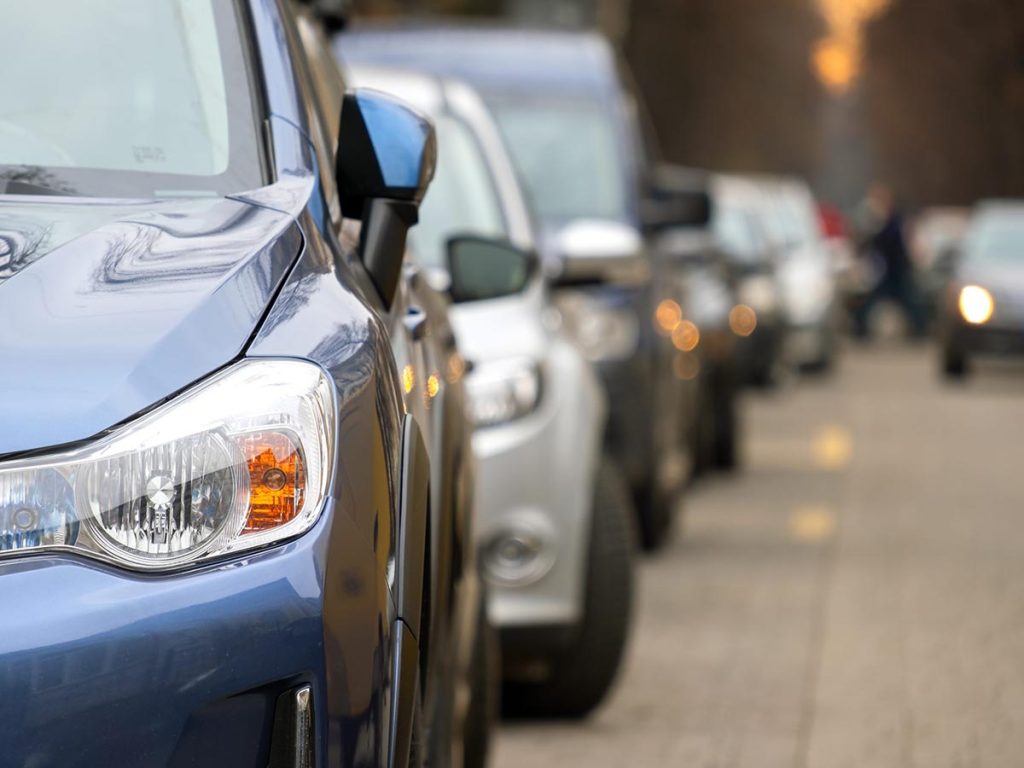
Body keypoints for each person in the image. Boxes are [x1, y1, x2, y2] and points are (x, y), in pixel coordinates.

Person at [853, 183, 925, 339]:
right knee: (868, 303)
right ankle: (860, 329)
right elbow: (864, 243)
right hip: (881, 273)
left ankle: (920, 330)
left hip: (897, 270)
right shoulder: (873, 218)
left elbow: (898, 243)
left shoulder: (895, 219)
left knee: (909, 302)